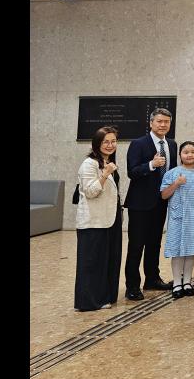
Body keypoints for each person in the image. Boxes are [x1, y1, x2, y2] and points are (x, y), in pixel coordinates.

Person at [124, 108, 176, 300]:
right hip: (140, 204)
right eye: (159, 121)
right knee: (136, 245)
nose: (163, 125)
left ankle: (152, 279)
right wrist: (151, 165)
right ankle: (132, 286)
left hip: (161, 202)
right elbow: (132, 171)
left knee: (154, 243)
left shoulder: (172, 144)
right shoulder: (138, 144)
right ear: (151, 123)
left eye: (166, 122)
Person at [74, 126, 123, 311]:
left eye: (113, 141)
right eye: (106, 142)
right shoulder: (89, 164)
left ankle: (105, 296)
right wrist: (105, 174)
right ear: (97, 144)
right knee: (92, 263)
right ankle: (89, 302)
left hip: (110, 219)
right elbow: (90, 191)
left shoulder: (107, 161)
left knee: (108, 260)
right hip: (93, 221)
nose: (110, 145)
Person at [160, 141, 194, 299]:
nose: (189, 155)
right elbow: (164, 195)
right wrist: (176, 184)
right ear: (180, 155)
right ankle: (177, 283)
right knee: (177, 250)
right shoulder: (172, 173)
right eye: (186, 152)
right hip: (177, 218)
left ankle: (187, 282)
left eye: (193, 151)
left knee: (191, 250)